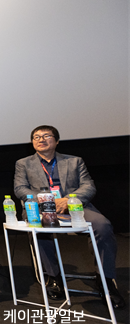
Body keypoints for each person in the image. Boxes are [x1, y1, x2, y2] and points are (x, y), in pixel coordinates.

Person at [14, 125, 125, 309]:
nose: (41, 139)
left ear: (57, 141)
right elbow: (20, 189)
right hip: (41, 207)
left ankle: (105, 280)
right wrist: (47, 200)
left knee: (102, 225)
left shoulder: (74, 161)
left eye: (46, 136)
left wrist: (68, 200)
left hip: (74, 206)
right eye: (36, 137)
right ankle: (54, 277)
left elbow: (88, 186)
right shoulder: (23, 163)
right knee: (38, 227)